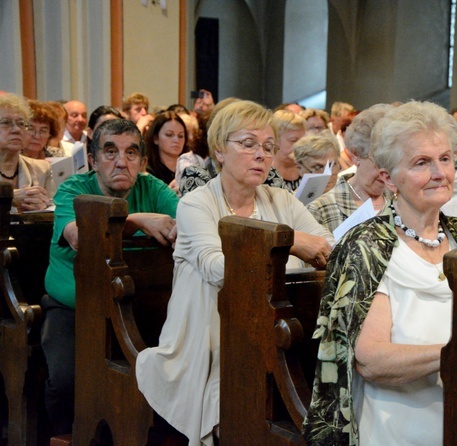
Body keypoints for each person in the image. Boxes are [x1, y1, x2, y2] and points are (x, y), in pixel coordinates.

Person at [136, 100, 333, 445]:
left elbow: (325, 245)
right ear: (219, 151)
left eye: (269, 147)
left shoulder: (281, 200)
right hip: (208, 334)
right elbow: (219, 270)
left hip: (272, 326)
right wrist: (288, 242)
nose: (261, 154)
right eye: (248, 144)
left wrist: (297, 241)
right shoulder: (196, 203)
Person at [303, 101, 457, 445]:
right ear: (389, 178)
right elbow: (371, 360)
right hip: (395, 424)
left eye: (446, 159)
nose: (440, 172)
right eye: (422, 162)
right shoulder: (367, 245)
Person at [40, 118, 179, 435]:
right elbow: (79, 235)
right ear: (92, 159)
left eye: (131, 153)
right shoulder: (73, 189)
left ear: (142, 162)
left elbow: (182, 220)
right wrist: (137, 220)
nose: (121, 161)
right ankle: (66, 437)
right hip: (74, 307)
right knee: (64, 379)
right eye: (110, 151)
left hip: (137, 306)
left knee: (178, 369)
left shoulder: (152, 188)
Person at [307, 104, 392, 233]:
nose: (386, 173)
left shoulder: (400, 202)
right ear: (356, 155)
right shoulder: (322, 209)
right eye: (379, 163)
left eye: (392, 164)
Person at [0, 93, 55, 211]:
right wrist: (10, 198)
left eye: (21, 123)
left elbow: (55, 213)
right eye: (6, 123)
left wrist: (43, 210)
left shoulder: (42, 169)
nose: (16, 130)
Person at [144, 111, 188, 192]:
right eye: (169, 134)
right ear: (155, 139)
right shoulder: (147, 173)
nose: (176, 140)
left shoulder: (189, 168)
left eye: (181, 136)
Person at [265, 110, 306, 192]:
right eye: (293, 140)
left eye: (303, 140)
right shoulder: (264, 173)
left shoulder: (307, 168)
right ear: (275, 140)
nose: (300, 145)